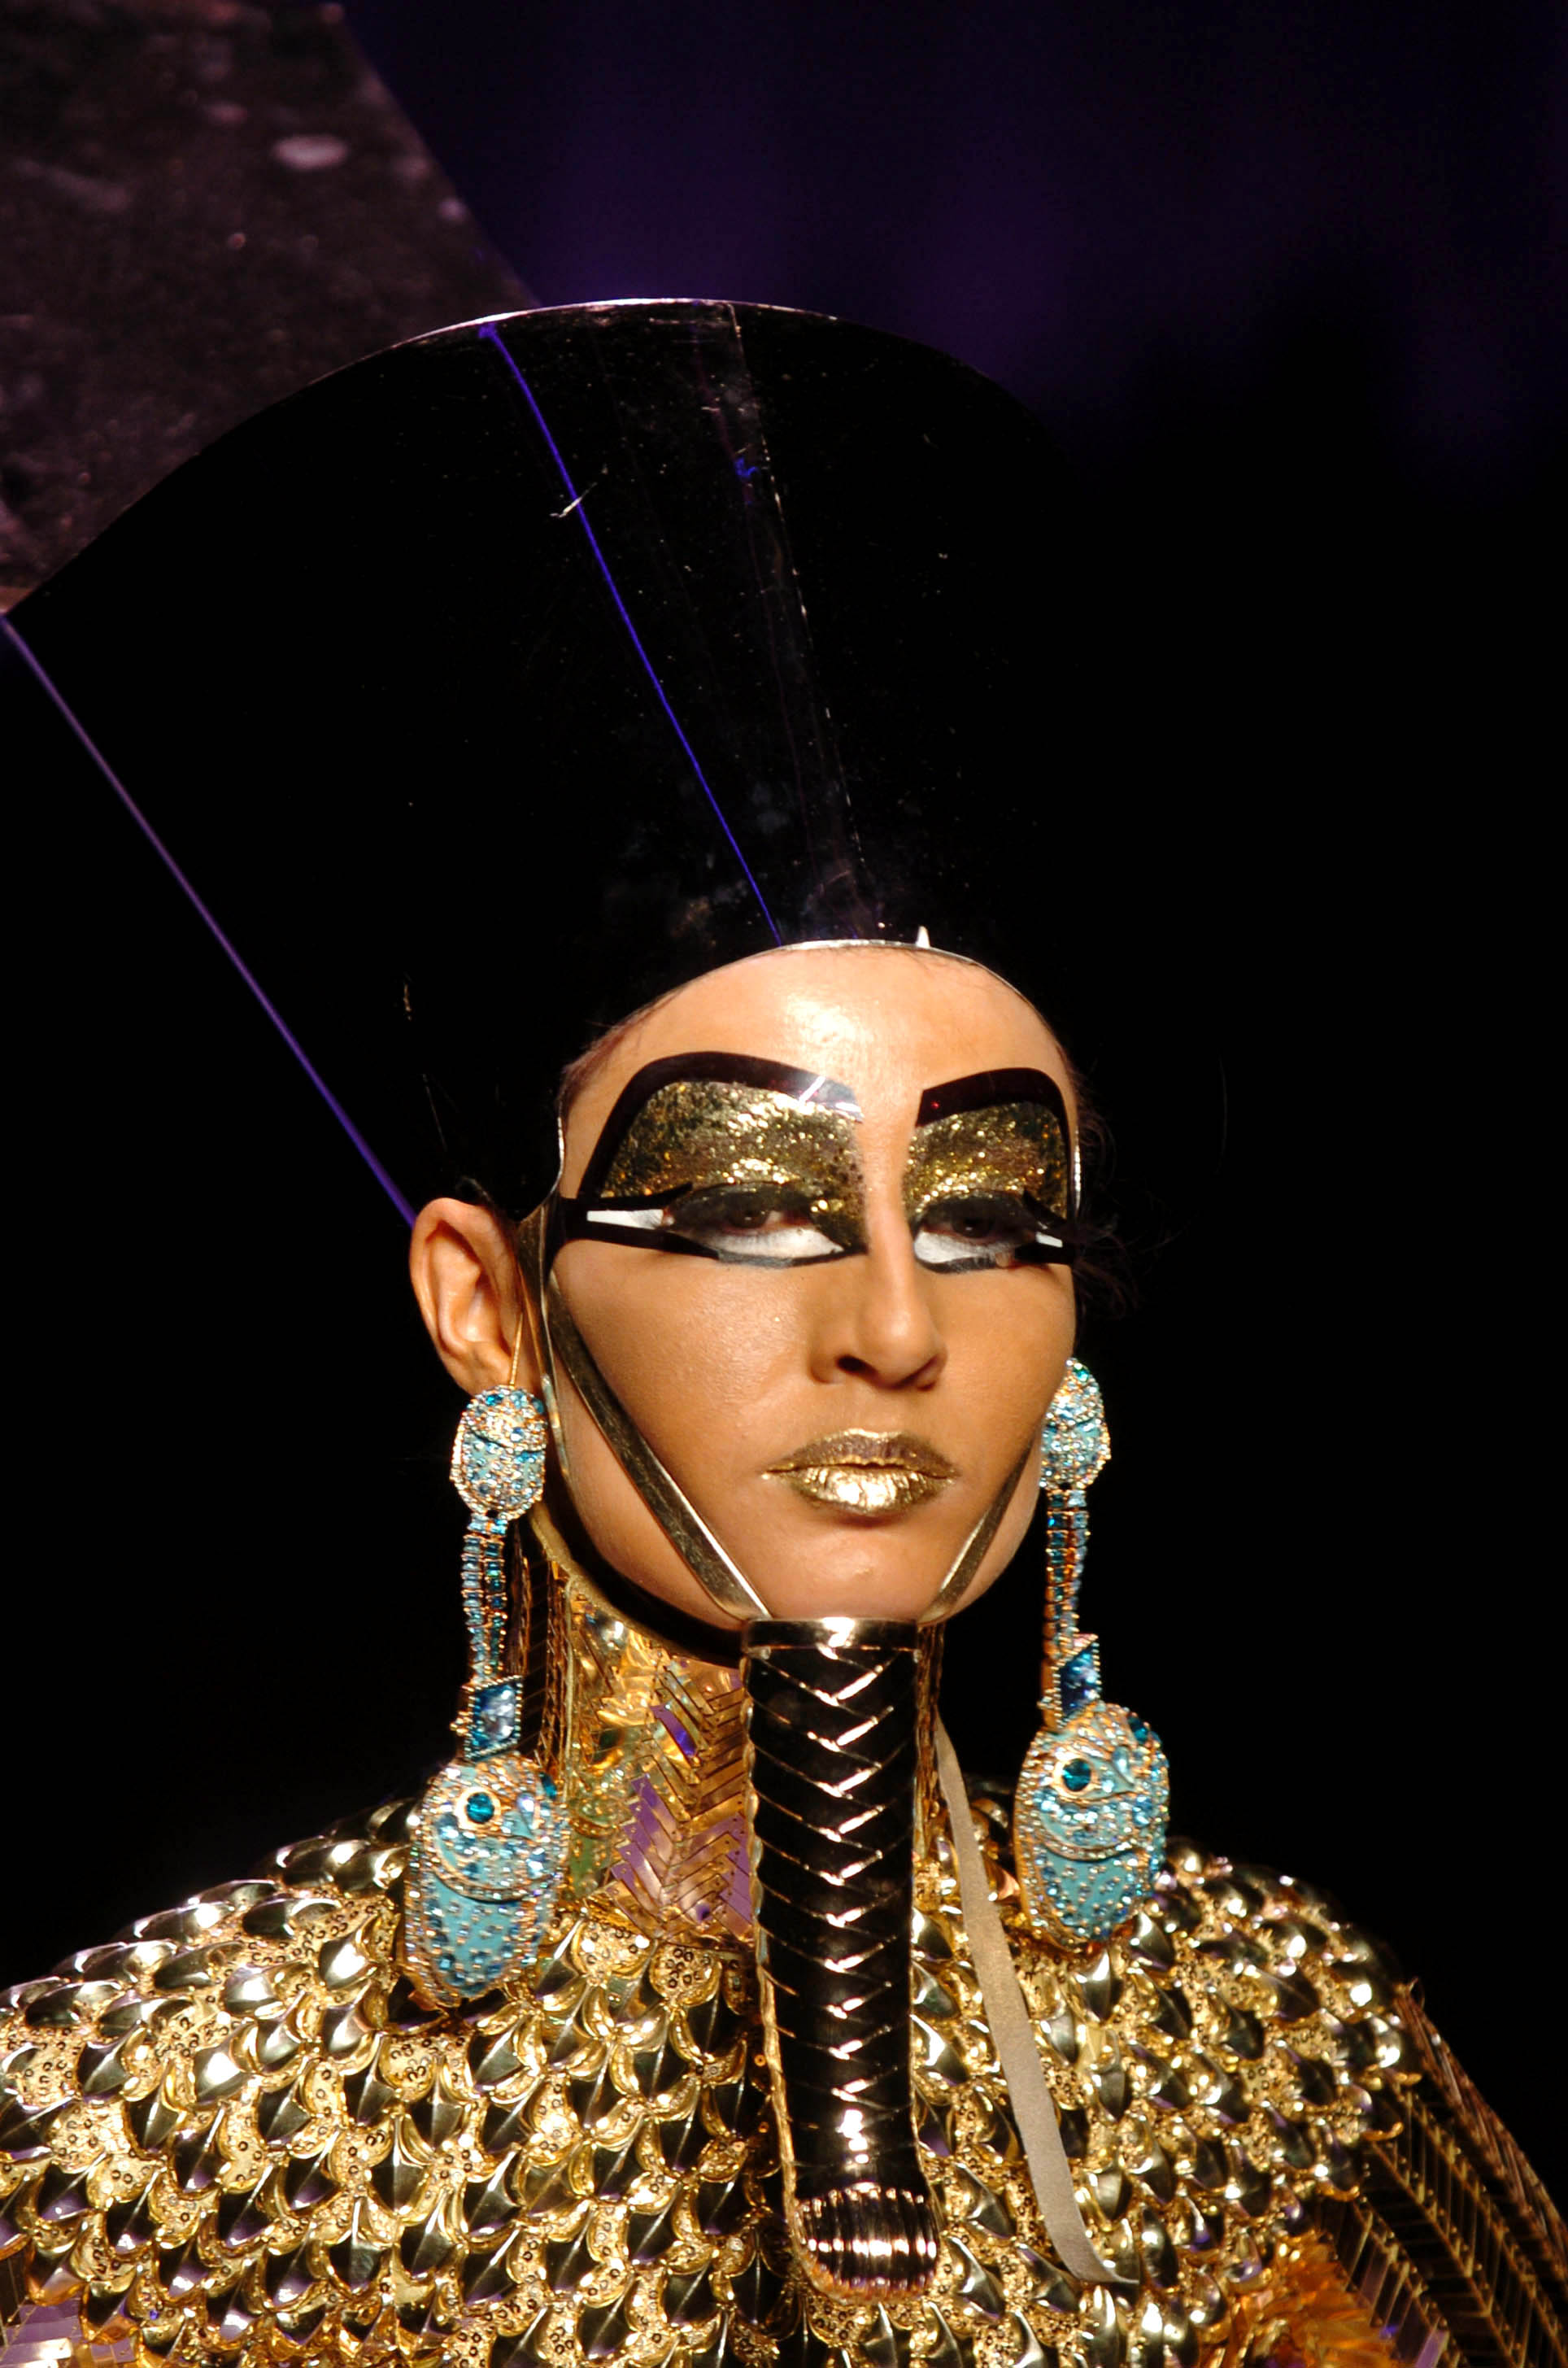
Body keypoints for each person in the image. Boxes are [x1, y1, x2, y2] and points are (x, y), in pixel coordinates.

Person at [1, 303, 1561, 2368]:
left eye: (991, 1215)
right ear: (487, 1303)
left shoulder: (1274, 2081)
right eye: (749, 1202)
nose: (896, 1325)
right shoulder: (152, 2151)